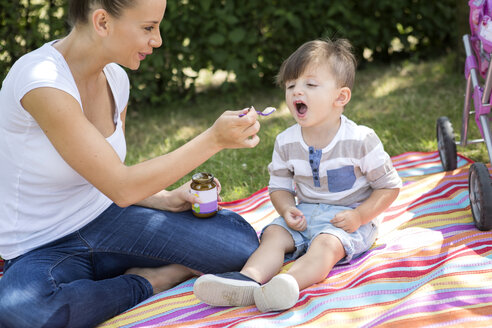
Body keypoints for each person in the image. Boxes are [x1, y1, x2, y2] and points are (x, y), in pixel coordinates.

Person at [0, 0, 262, 327]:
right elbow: (121, 186)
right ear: (102, 22)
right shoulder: (40, 79)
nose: (158, 40)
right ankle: (150, 281)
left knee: (240, 245)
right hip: (40, 247)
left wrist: (164, 199)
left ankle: (97, 290)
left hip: (109, 220)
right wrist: (214, 139)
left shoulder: (116, 79)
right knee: (23, 313)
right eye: (148, 28)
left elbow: (106, 179)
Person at [193, 38, 402, 312]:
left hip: (347, 219)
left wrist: (360, 216)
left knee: (326, 246)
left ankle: (287, 284)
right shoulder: (286, 141)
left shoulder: (361, 140)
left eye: (310, 85)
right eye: (290, 86)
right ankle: (247, 280)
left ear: (340, 97)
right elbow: (279, 186)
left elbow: (389, 187)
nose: (296, 92)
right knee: (275, 235)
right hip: (303, 214)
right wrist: (287, 208)